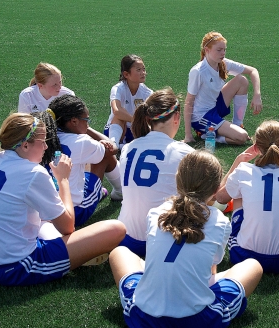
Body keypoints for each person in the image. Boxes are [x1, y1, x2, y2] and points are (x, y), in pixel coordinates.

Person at [109, 150, 263, 328]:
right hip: (198, 322)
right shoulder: (220, 221)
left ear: (177, 181)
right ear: (215, 190)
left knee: (120, 253)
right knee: (253, 266)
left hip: (144, 317)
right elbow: (211, 272)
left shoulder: (156, 212)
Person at [0, 113, 125, 286]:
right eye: (42, 141)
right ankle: (75, 254)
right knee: (116, 229)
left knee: (44, 219)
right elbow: (68, 226)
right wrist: (63, 179)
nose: (46, 146)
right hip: (14, 267)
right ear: (25, 145)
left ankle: (71, 250)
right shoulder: (33, 172)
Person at [216, 120, 279, 274]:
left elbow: (220, 198)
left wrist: (238, 161)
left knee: (238, 194)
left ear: (256, 148)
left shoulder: (244, 170)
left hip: (244, 258)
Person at [117, 88, 193, 257]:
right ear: (176, 117)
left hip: (127, 239)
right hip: (163, 242)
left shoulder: (129, 147)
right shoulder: (184, 152)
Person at [49, 94, 124, 224]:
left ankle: (99, 192)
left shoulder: (44, 136)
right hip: (74, 211)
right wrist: (88, 130)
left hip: (47, 210)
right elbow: (113, 148)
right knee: (105, 156)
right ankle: (120, 192)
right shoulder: (81, 141)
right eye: (86, 120)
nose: (87, 123)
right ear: (74, 121)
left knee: (85, 158)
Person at [184, 31, 262, 146]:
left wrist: (257, 95)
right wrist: (188, 135)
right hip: (202, 116)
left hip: (215, 106)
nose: (223, 53)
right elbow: (188, 102)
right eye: (219, 50)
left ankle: (238, 123)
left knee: (241, 80)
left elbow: (253, 71)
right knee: (242, 137)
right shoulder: (198, 71)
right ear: (207, 50)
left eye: (224, 49)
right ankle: (207, 135)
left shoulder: (223, 63)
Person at [104, 55, 152, 148]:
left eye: (144, 69)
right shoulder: (118, 89)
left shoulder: (148, 93)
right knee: (119, 117)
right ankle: (113, 145)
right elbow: (117, 111)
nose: (143, 73)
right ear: (126, 74)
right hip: (116, 129)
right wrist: (135, 120)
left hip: (135, 130)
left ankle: (122, 147)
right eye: (138, 70)